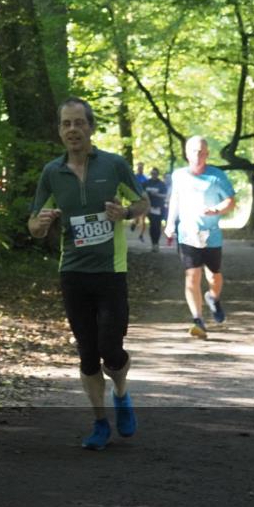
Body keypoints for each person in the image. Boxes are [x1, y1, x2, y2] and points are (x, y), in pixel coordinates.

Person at [28, 97, 149, 450]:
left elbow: (144, 203)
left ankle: (122, 395)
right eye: (66, 124)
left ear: (91, 127)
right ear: (60, 130)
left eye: (79, 123)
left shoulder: (113, 165)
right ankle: (99, 423)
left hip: (111, 272)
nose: (72, 130)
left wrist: (125, 212)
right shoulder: (52, 172)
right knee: (87, 352)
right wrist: (42, 222)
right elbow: (33, 225)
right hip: (73, 273)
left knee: (111, 348)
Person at [164, 136, 236, 340]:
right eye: (194, 151)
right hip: (187, 235)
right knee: (192, 277)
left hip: (211, 236)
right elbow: (175, 199)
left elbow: (230, 201)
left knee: (214, 276)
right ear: (187, 153)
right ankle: (198, 320)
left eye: (202, 151)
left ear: (207, 154)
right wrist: (170, 223)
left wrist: (216, 209)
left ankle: (213, 298)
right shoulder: (178, 176)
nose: (198, 155)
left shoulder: (216, 176)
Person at [144, 167, 168, 252]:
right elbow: (141, 194)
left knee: (157, 226)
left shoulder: (161, 184)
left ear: (158, 174)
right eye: (152, 173)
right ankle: (153, 244)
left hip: (158, 208)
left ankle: (156, 243)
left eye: (155, 174)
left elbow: (165, 196)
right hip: (149, 207)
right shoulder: (146, 183)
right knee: (152, 225)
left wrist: (157, 194)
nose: (153, 175)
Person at [131, 162, 149, 241]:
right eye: (139, 167)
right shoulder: (134, 177)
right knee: (137, 216)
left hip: (144, 199)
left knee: (143, 218)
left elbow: (147, 189)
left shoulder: (145, 178)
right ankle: (134, 223)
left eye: (141, 168)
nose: (140, 169)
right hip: (135, 199)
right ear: (137, 168)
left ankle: (141, 235)